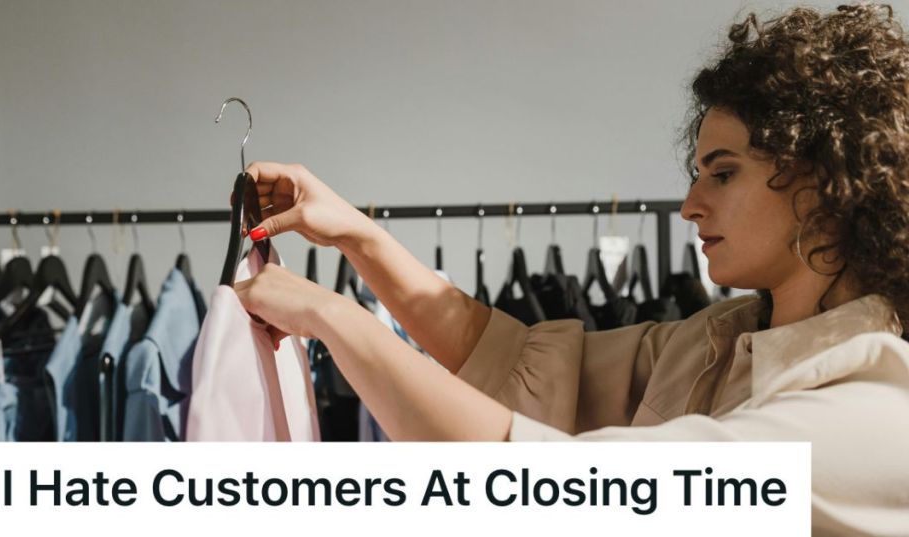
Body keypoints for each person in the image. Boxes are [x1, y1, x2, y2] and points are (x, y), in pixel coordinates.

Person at [233, 4, 909, 533]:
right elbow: (520, 359)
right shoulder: (718, 344)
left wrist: (334, 316)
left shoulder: (871, 421)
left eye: (723, 174)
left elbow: (552, 487)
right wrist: (358, 236)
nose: (690, 206)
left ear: (824, 185)